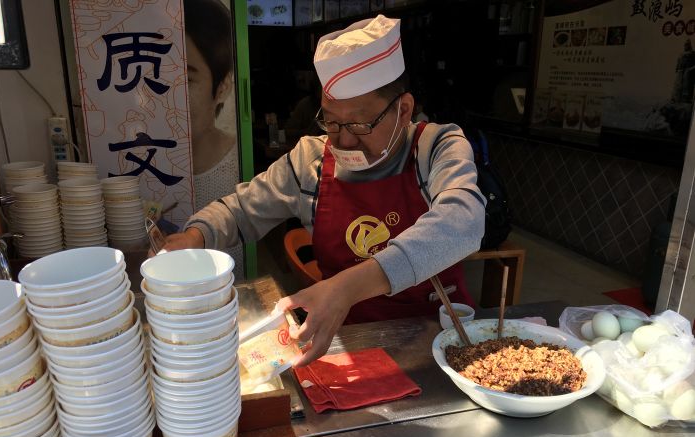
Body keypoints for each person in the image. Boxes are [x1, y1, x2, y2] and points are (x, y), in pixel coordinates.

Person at [160, 15, 485, 366]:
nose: (344, 139)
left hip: (438, 343)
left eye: (361, 123)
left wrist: (346, 287)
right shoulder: (312, 161)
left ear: (404, 110)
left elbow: (463, 220)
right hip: (343, 343)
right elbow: (240, 210)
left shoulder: (437, 147)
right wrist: (194, 236)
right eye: (331, 121)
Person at [184, 0, 243, 278]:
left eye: (186, 79)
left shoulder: (237, 164)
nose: (169, 97)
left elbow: (246, 210)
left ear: (222, 87)